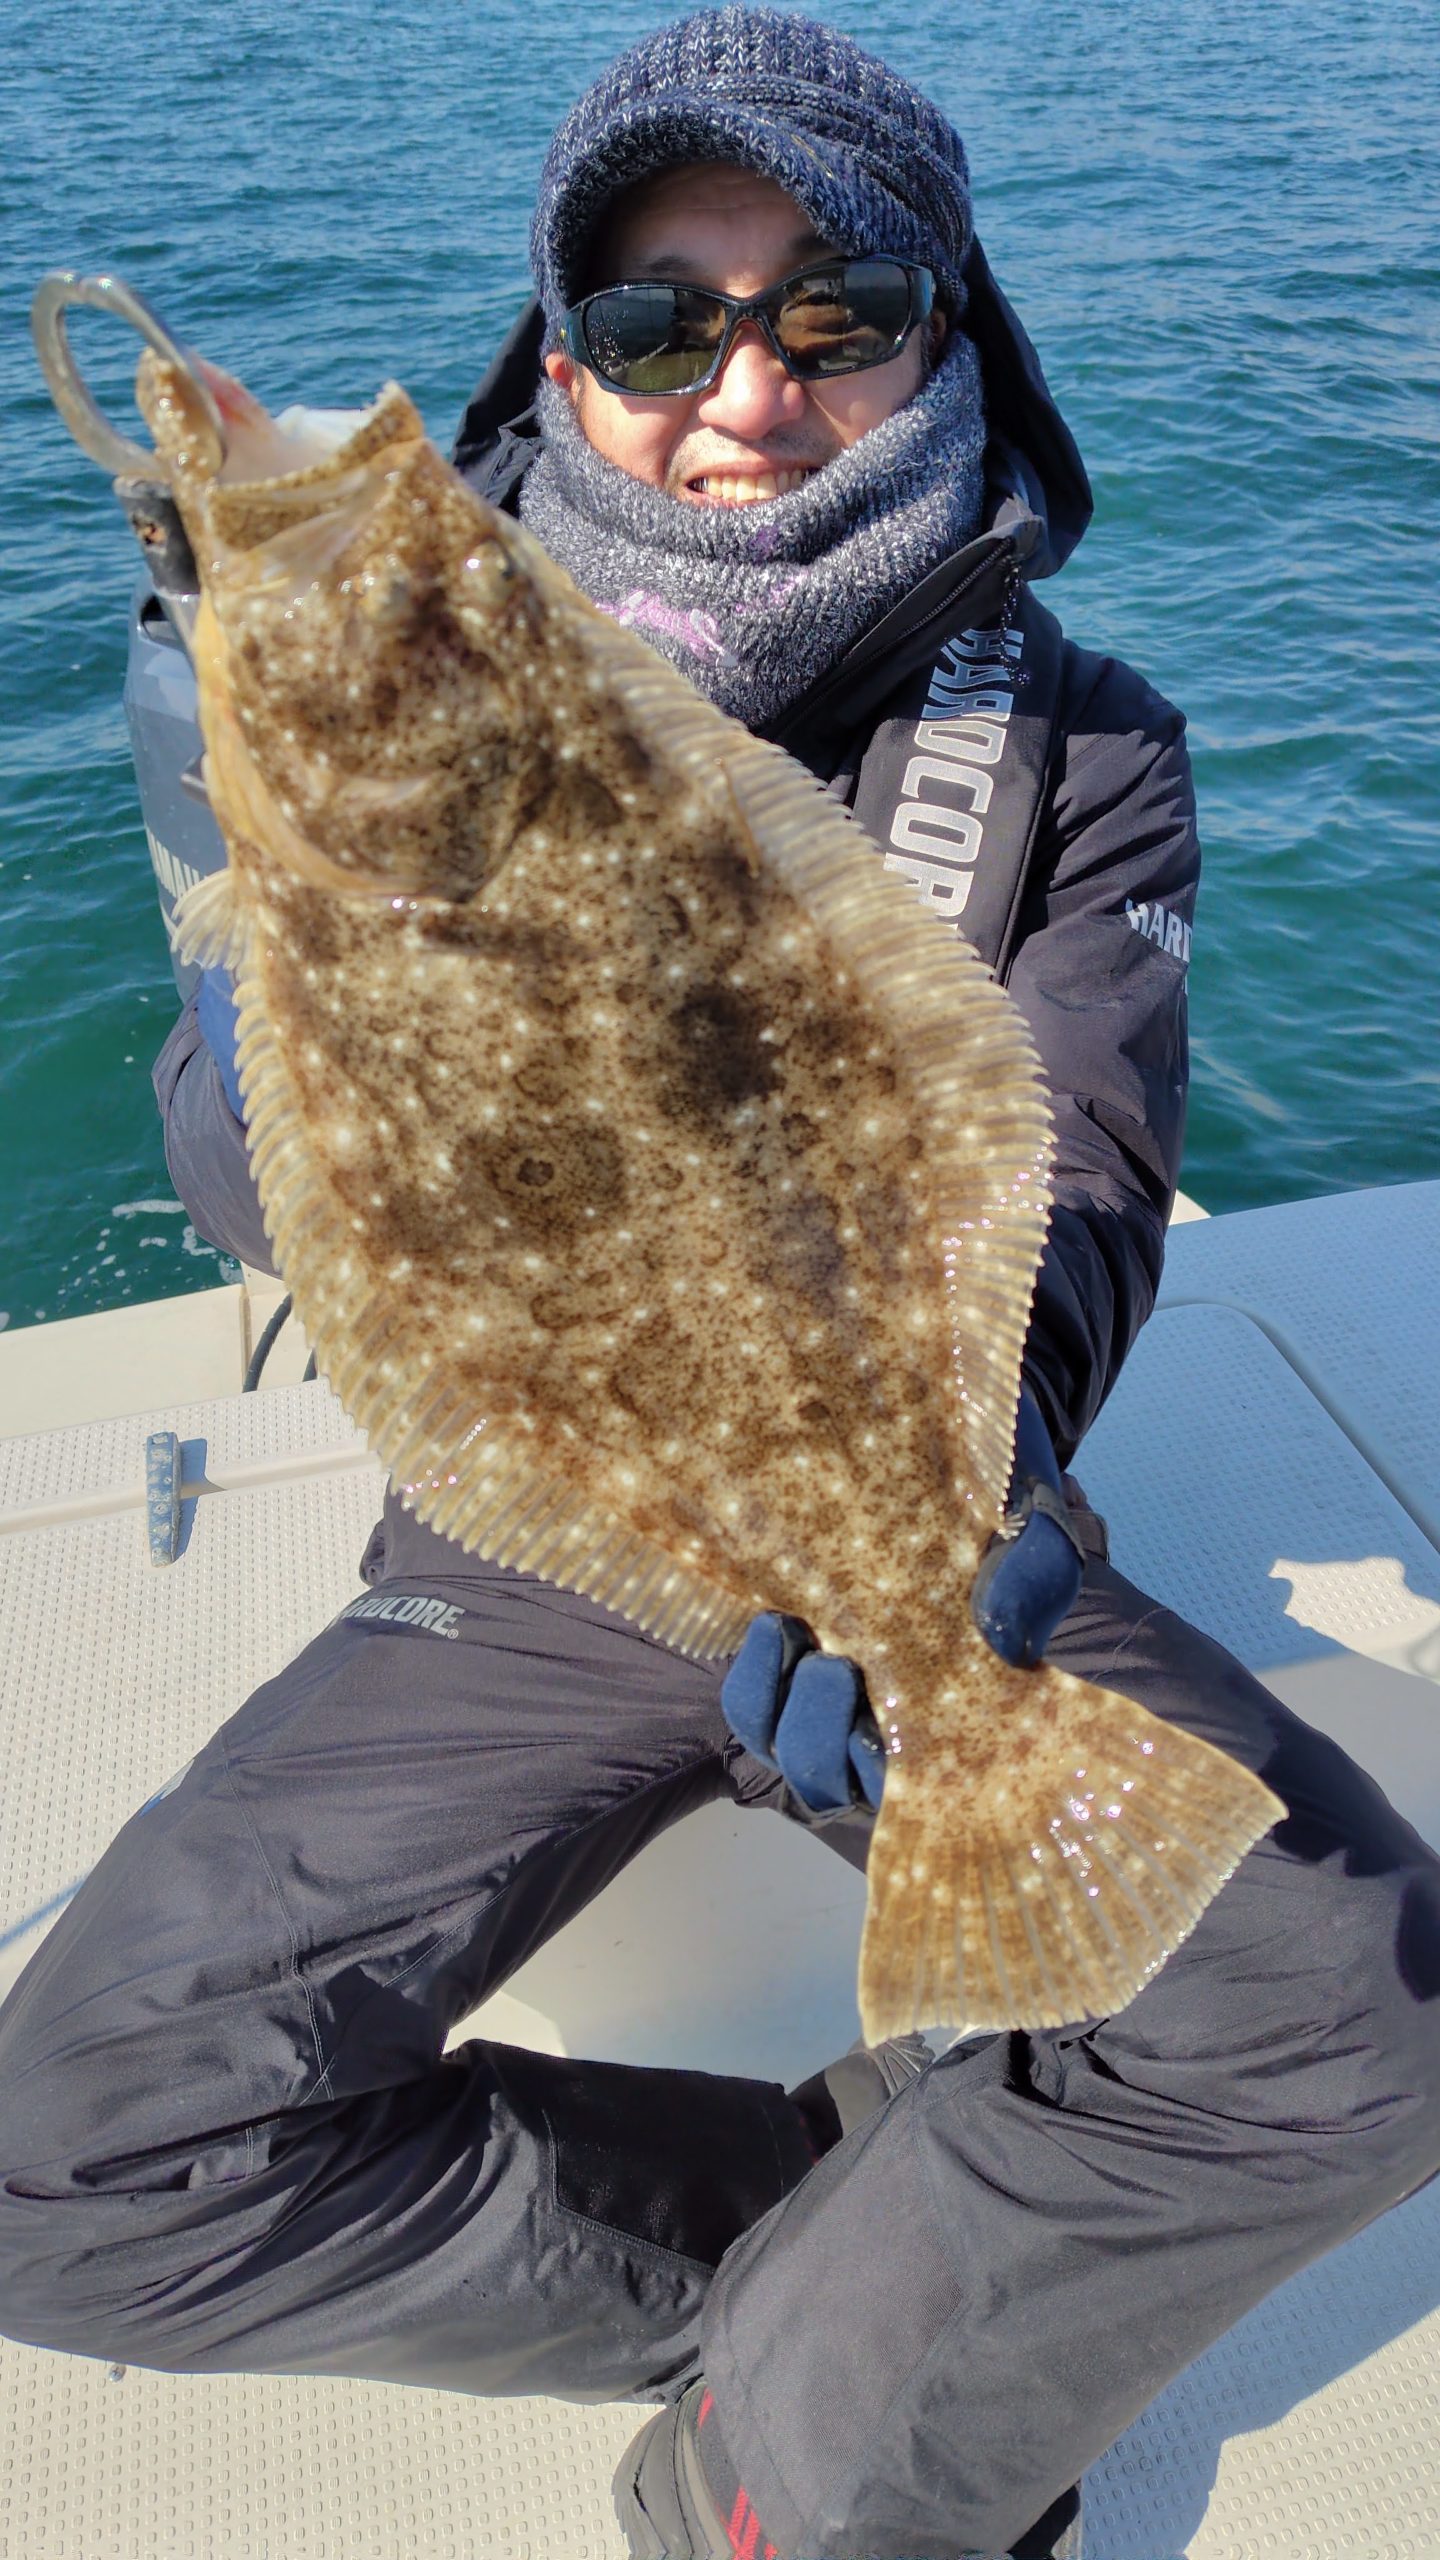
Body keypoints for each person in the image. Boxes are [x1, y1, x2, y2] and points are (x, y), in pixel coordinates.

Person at [1, 14, 1437, 2559]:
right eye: (659, 321)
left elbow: (1078, 1171)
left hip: (914, 1486)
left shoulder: (1085, 748)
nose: (744, 393)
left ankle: (782, 2438)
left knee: (1375, 2008)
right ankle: (850, 2245)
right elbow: (256, 1195)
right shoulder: (445, 678)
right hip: (537, 1535)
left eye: (834, 308)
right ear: (560, 365)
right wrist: (254, 899)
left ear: (949, 334)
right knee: (60, 2158)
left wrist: (971, 1503)